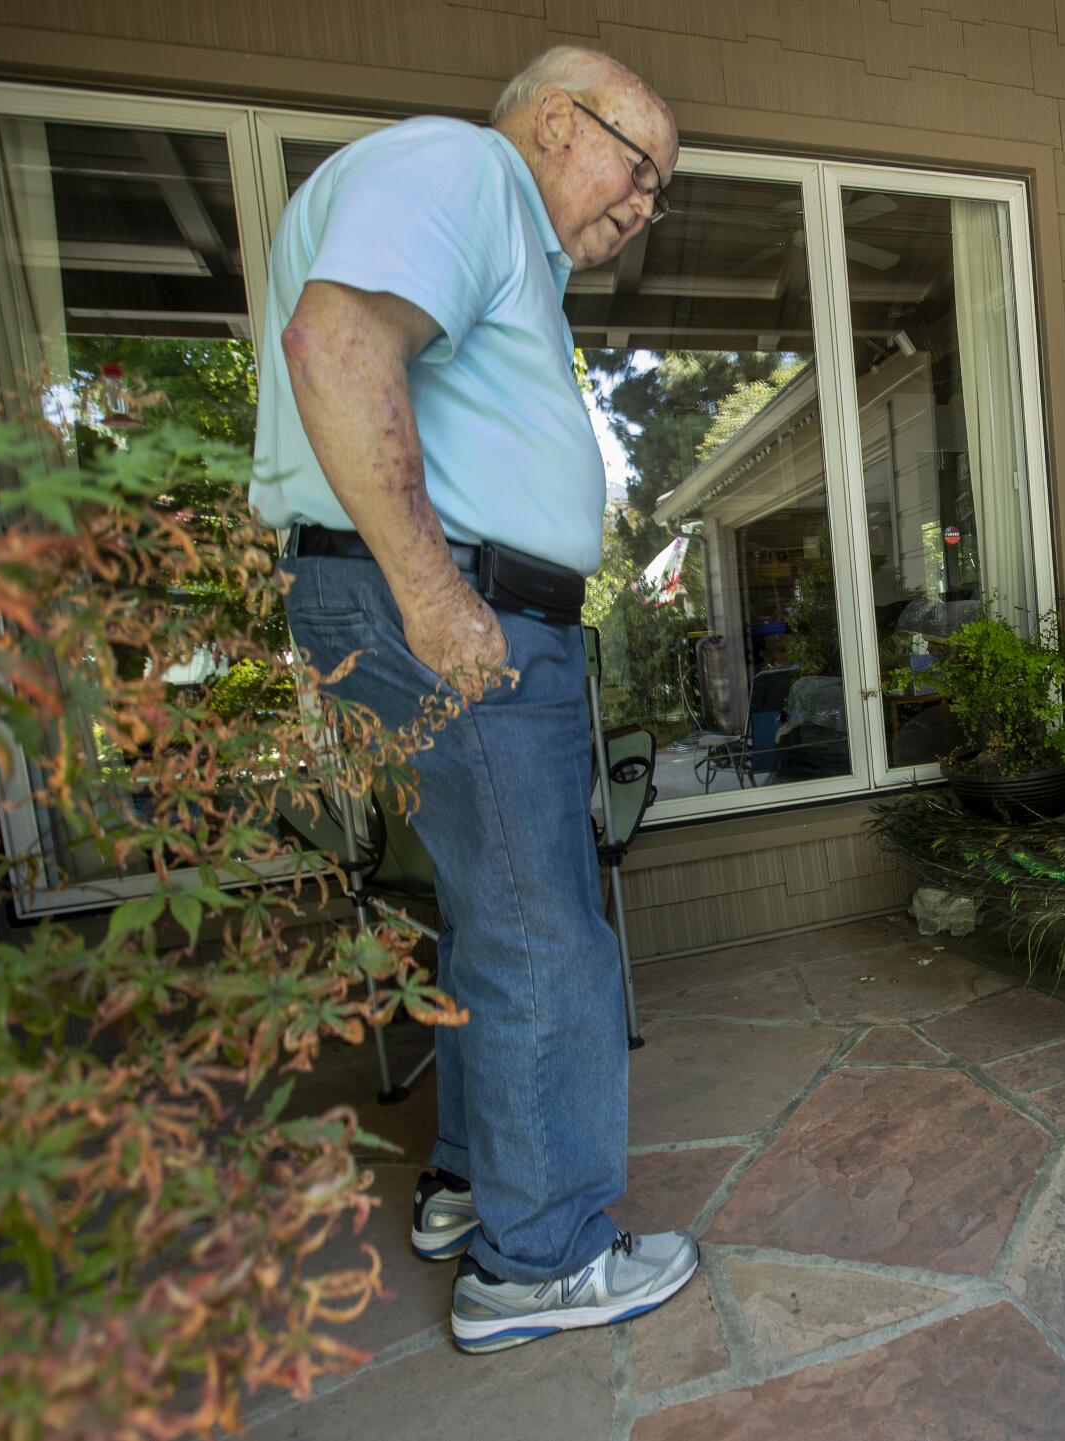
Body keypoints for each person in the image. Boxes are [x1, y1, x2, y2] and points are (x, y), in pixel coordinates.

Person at [250, 45, 693, 1354]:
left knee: (489, 913)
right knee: (546, 931)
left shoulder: (490, 219)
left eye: (659, 189)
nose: (645, 203)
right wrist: (441, 597)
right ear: (559, 121)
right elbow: (336, 346)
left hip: (437, 606)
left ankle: (463, 1182)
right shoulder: (464, 168)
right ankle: (539, 1254)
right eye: (639, 166)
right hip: (453, 613)